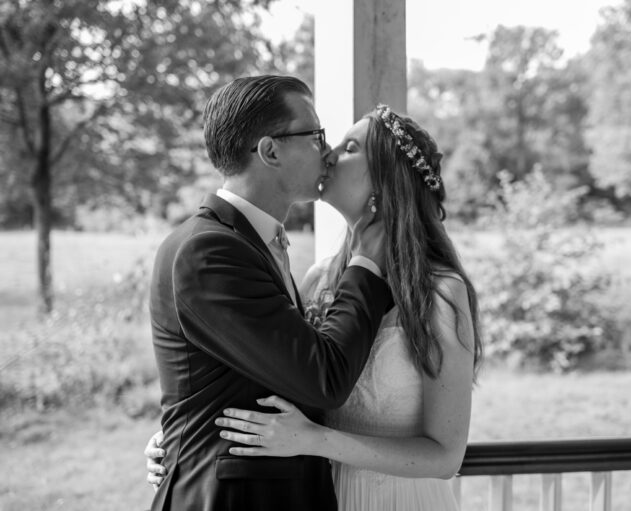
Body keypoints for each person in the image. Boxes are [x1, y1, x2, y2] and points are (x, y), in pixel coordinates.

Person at [147, 104, 483, 510]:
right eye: (327, 142)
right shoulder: (320, 279)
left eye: (350, 147)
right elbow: (281, 371)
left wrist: (316, 440)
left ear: (387, 180)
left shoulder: (441, 293)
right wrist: (183, 436)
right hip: (319, 496)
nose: (329, 154)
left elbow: (447, 456)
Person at [147, 75, 394, 511]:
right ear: (270, 150)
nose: (327, 149)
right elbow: (324, 377)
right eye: (315, 135)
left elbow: (253, 370)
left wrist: (185, 429)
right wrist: (367, 261)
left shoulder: (254, 242)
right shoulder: (209, 251)